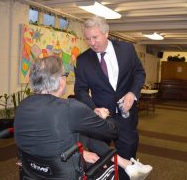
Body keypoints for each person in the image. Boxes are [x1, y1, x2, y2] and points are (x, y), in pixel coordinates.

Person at [14, 56, 152, 179]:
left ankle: (126, 164)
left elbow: (42, 139)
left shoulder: (23, 106)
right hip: (64, 172)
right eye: (65, 74)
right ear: (61, 81)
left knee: (81, 131)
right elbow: (113, 131)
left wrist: (83, 153)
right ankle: (127, 164)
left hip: (31, 170)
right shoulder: (70, 107)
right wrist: (104, 116)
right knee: (88, 131)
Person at [74, 16, 146, 179]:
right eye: (87, 39)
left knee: (127, 162)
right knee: (97, 161)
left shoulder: (127, 49)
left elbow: (139, 73)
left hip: (126, 117)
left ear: (106, 33)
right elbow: (80, 90)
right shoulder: (83, 60)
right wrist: (94, 108)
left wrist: (132, 93)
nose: (91, 43)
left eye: (95, 37)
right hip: (100, 119)